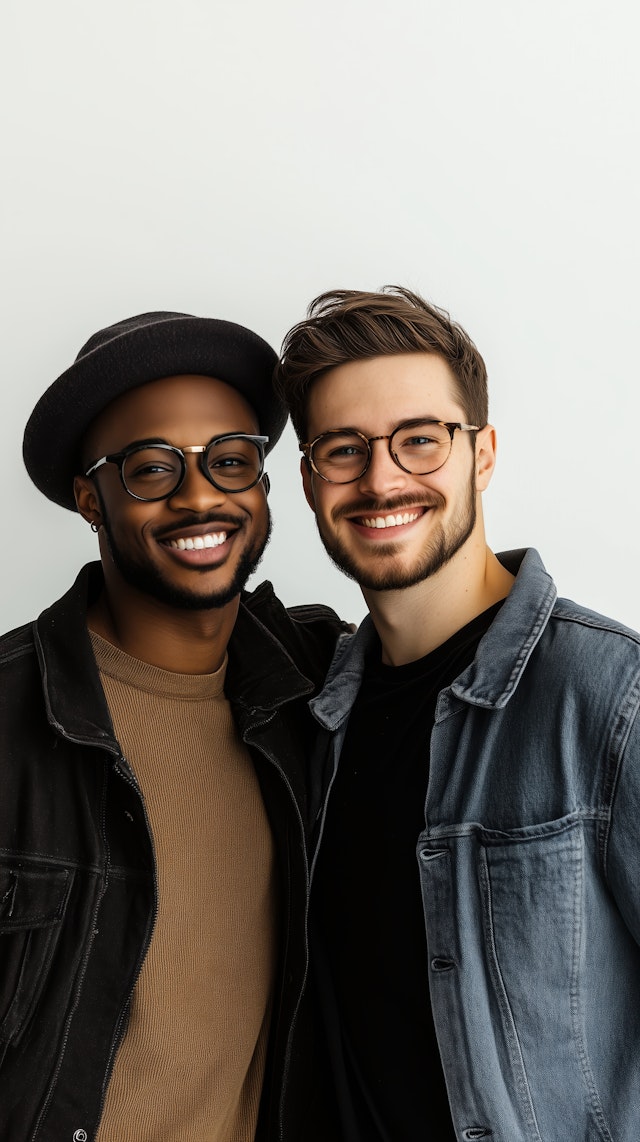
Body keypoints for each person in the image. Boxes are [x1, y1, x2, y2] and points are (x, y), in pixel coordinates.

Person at [275, 287, 640, 1142]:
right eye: (343, 449)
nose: (381, 478)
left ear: (482, 454)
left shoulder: (608, 692)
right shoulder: (312, 714)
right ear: (307, 480)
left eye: (420, 440)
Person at [0, 310, 348, 1142]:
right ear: (91, 498)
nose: (201, 495)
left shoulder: (319, 691)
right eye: (152, 468)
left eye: (230, 461)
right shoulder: (11, 717)